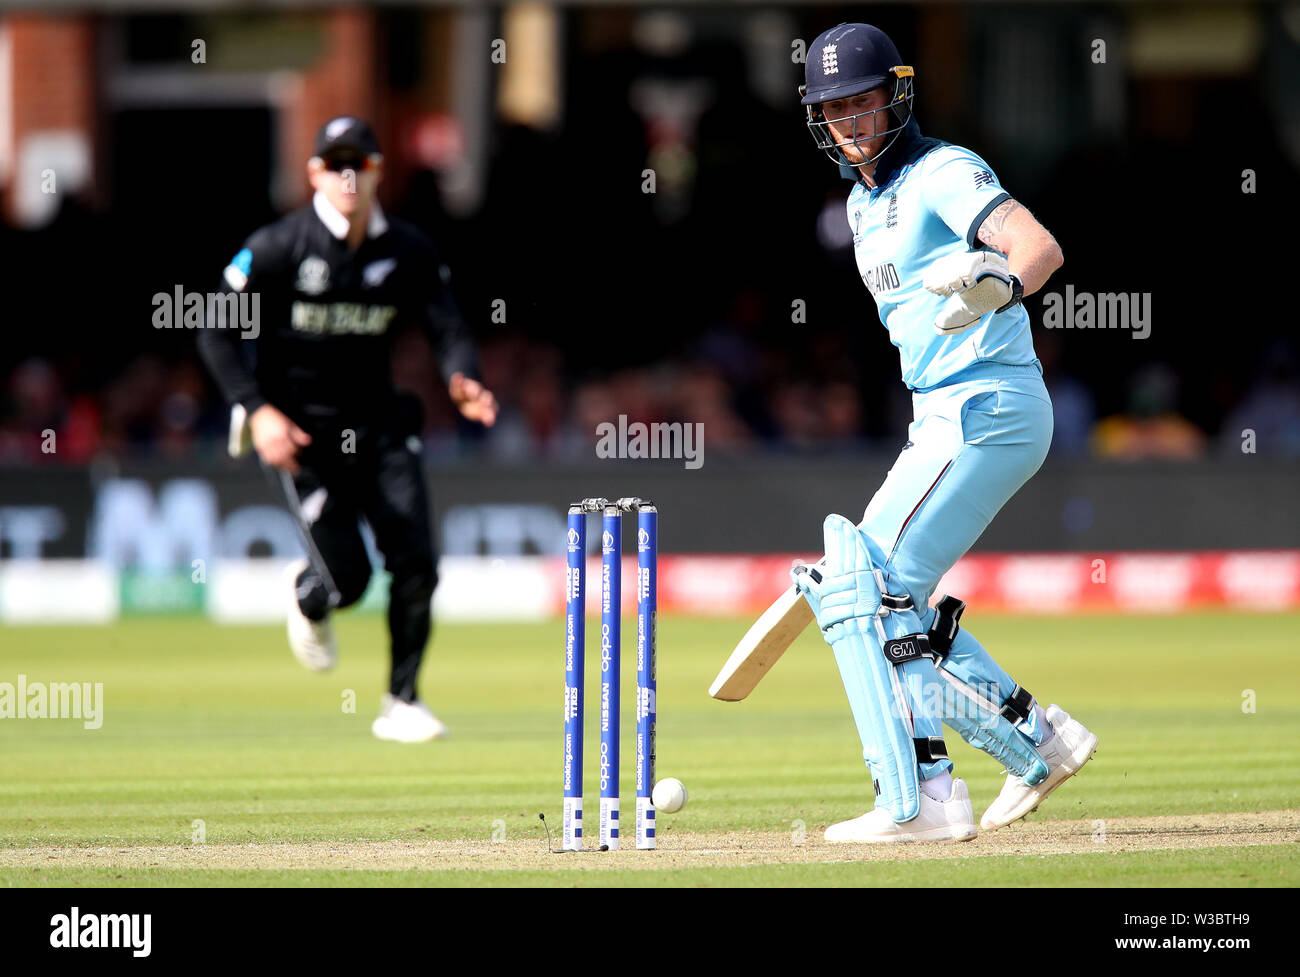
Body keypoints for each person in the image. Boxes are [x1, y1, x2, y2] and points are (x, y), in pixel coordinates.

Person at [790, 24, 1097, 842]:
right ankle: (1035, 738)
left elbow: (1039, 247)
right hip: (941, 412)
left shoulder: (942, 172)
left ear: (895, 93)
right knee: (873, 591)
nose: (852, 121)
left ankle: (924, 797)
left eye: (863, 101)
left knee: (872, 590)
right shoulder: (858, 204)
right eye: (835, 109)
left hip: (985, 403)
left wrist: (999, 281)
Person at [198, 117, 498, 742]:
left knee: (416, 561)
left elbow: (446, 325)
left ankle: (402, 702)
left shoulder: (408, 249)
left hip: (382, 425)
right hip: (300, 433)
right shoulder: (280, 245)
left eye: (358, 163)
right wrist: (257, 410)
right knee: (349, 582)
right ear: (313, 173)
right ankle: (309, 593)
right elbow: (213, 328)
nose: (346, 175)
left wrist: (461, 376)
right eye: (334, 164)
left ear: (377, 171)